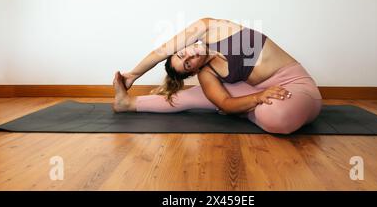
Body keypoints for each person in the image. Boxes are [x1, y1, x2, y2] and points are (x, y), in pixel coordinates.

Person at [112, 18, 322, 134]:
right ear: (193, 71)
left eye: (182, 53)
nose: (190, 56)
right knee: (189, 97)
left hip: (296, 85)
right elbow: (225, 102)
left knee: (276, 116)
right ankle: (127, 103)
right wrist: (257, 98)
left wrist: (133, 75)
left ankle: (248, 112)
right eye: (187, 64)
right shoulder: (206, 74)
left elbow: (161, 51)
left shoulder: (210, 28)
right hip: (255, 90)